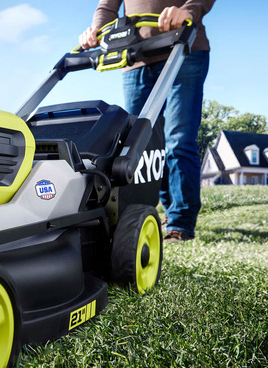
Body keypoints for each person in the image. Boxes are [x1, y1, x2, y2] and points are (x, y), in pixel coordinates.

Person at [79, 0, 215, 243]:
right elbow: (106, 6)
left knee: (179, 140)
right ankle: (142, 215)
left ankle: (180, 223)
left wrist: (189, 10)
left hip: (184, 46)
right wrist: (97, 29)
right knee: (138, 144)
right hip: (134, 56)